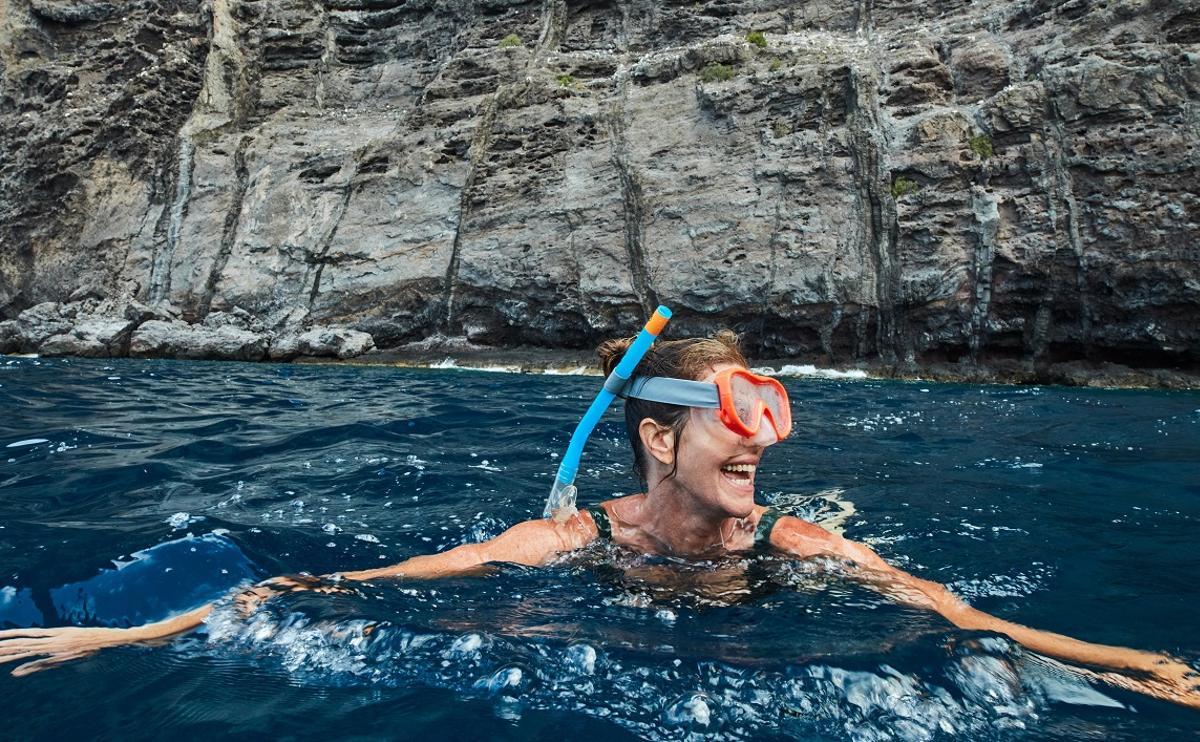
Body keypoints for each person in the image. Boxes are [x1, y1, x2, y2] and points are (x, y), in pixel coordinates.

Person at [1, 332, 1197, 710]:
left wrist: (1131, 662)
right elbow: (339, 589)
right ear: (661, 438)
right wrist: (122, 640)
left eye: (773, 414)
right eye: (739, 417)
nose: (767, 441)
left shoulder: (798, 546)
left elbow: (958, 611)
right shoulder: (568, 543)